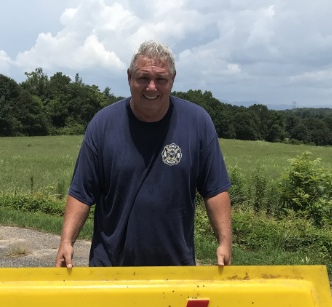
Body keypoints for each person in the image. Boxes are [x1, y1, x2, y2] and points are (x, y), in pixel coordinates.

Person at [55, 40, 232, 268]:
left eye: (160, 79)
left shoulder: (198, 122)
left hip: (175, 267)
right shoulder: (103, 124)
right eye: (143, 78)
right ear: (129, 77)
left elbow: (215, 189)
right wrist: (66, 241)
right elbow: (82, 192)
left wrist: (225, 243)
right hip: (111, 267)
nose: (151, 87)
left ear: (173, 79)